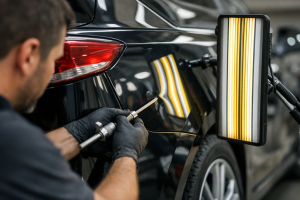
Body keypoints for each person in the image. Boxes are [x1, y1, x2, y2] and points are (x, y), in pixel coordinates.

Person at [0, 0, 149, 200]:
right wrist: (127, 153)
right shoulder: (12, 136)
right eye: (54, 60)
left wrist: (78, 132)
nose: (52, 71)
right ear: (28, 56)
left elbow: (15, 160)